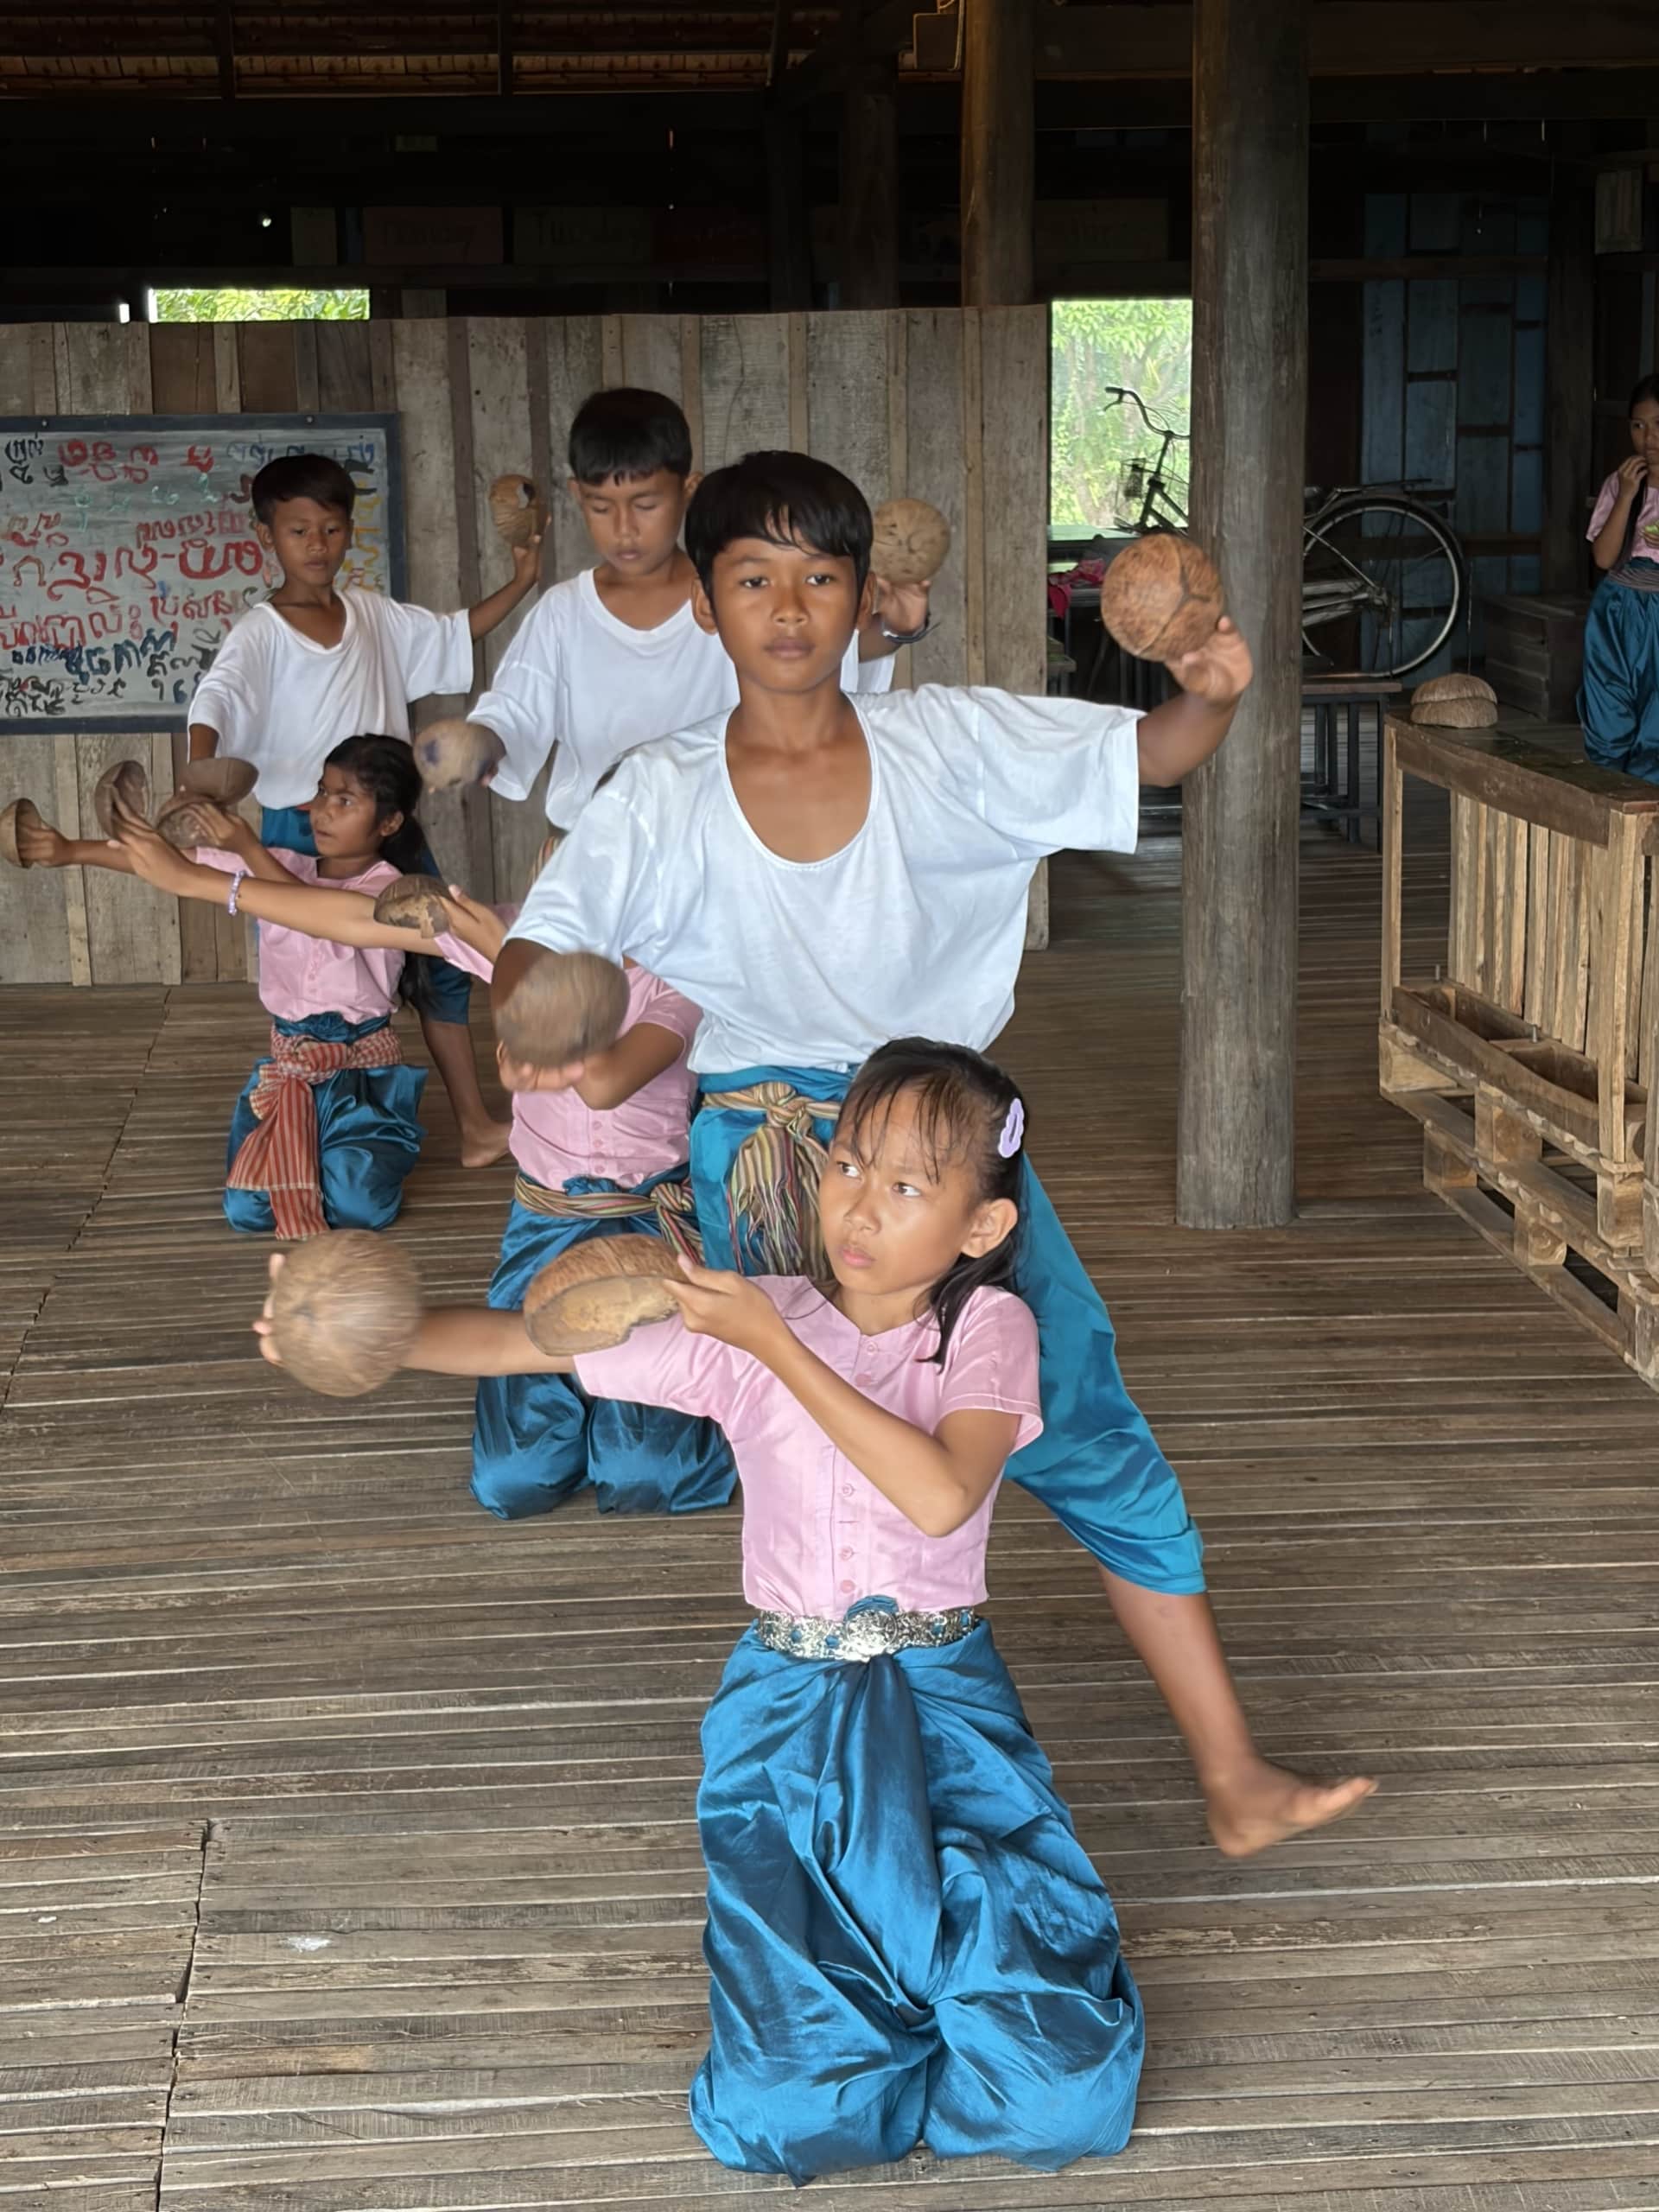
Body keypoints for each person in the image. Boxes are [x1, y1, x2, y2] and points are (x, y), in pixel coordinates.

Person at [493, 448, 1376, 1858]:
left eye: (820, 576)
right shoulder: (659, 791)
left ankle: (1232, 1774)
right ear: (707, 605)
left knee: (1084, 1430)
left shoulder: (947, 744)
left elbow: (1142, 757)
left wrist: (1209, 691)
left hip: (946, 1156)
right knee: (830, 1479)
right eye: (754, 578)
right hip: (771, 1161)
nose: (790, 607)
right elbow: (545, 944)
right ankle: (842, 1817)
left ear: (863, 599)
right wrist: (540, 1008)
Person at [256, 1041, 1146, 2180]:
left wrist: (776, 1345)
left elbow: (939, 1495)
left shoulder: (983, 1330)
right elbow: (528, 1340)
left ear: (982, 1226)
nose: (858, 1205)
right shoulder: (756, 1314)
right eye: (847, 1164)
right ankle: (869, 2035)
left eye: (906, 1185)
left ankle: (951, 2017)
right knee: (782, 2112)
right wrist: (356, 1333)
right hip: (786, 1718)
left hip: (947, 1714)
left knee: (1061, 2101)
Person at [113, 817, 734, 1520]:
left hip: (650, 1225)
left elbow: (604, 1085)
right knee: (514, 1480)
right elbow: (351, 917)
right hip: (548, 1221)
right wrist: (197, 880)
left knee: (649, 1474)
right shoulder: (524, 935)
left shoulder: (679, 973)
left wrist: (510, 960)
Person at [186, 451, 538, 1167]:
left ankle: (474, 1126)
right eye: (298, 531)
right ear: (267, 536)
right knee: (318, 989)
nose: (317, 545)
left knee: (442, 959)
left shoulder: (372, 614)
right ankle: (309, 1137)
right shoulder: (261, 631)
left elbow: (452, 632)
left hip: (385, 829)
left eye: (332, 528)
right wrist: (199, 766)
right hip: (300, 831)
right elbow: (217, 698)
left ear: (351, 530)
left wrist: (524, 579)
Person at [425, 387, 920, 829]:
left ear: (688, 490)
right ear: (576, 495)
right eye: (601, 507)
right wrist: (478, 742)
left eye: (645, 506)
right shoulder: (563, 615)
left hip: (719, 844)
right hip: (598, 850)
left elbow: (827, 648)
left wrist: (900, 625)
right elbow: (514, 712)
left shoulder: (732, 597)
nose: (624, 529)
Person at [26, 736, 435, 1236]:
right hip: (289, 1064)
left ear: (389, 822)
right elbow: (178, 866)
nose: (323, 810)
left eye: (345, 800)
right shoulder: (286, 865)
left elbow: (319, 918)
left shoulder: (391, 891)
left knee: (361, 1207)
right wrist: (69, 850)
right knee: (248, 1210)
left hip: (361, 1077)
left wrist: (247, 847)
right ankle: (320, 1163)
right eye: (322, 792)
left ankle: (347, 1155)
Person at [1581, 372, 1659, 780]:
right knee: (1609, 715)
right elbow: (1604, 557)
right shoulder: (1620, 484)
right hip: (1616, 614)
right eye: (1638, 426)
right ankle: (1606, 799)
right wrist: (1627, 495)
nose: (1649, 438)